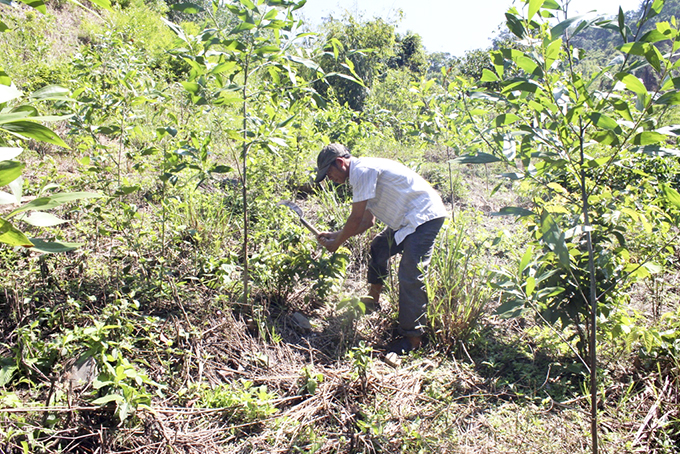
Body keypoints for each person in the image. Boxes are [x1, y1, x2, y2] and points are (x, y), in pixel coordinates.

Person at [314, 143, 447, 355]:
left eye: (329, 173)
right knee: (379, 247)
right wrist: (336, 234)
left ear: (339, 163)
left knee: (410, 272)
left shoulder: (362, 171)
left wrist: (337, 242)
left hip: (424, 217)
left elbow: (356, 217)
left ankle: (413, 338)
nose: (330, 179)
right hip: (407, 221)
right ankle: (373, 299)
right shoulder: (361, 174)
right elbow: (367, 222)